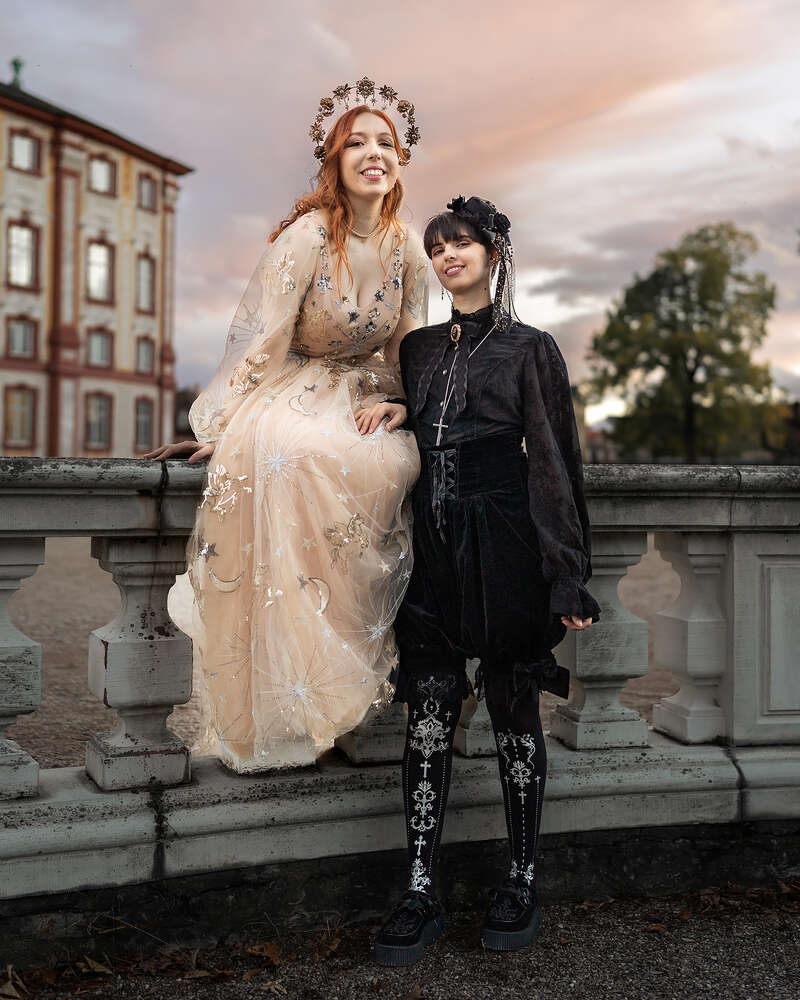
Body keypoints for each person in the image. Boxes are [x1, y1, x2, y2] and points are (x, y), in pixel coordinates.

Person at [145, 80, 429, 772]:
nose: (373, 153)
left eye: (385, 143)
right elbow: (263, 340)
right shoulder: (307, 236)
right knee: (296, 454)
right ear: (334, 161)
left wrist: (406, 406)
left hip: (368, 390)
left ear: (399, 161)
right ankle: (287, 703)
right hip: (293, 385)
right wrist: (224, 425)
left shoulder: (409, 248)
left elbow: (411, 349)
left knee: (395, 460)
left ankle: (348, 672)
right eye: (356, 143)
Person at [364, 196, 600, 965]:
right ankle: (420, 889)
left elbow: (555, 462)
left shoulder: (532, 349)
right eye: (437, 248)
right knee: (429, 713)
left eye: (461, 244)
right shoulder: (419, 349)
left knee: (511, 708)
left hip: (503, 545)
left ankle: (521, 879)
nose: (448, 256)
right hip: (431, 551)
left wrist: (566, 574)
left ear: (493, 255)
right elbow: (382, 414)